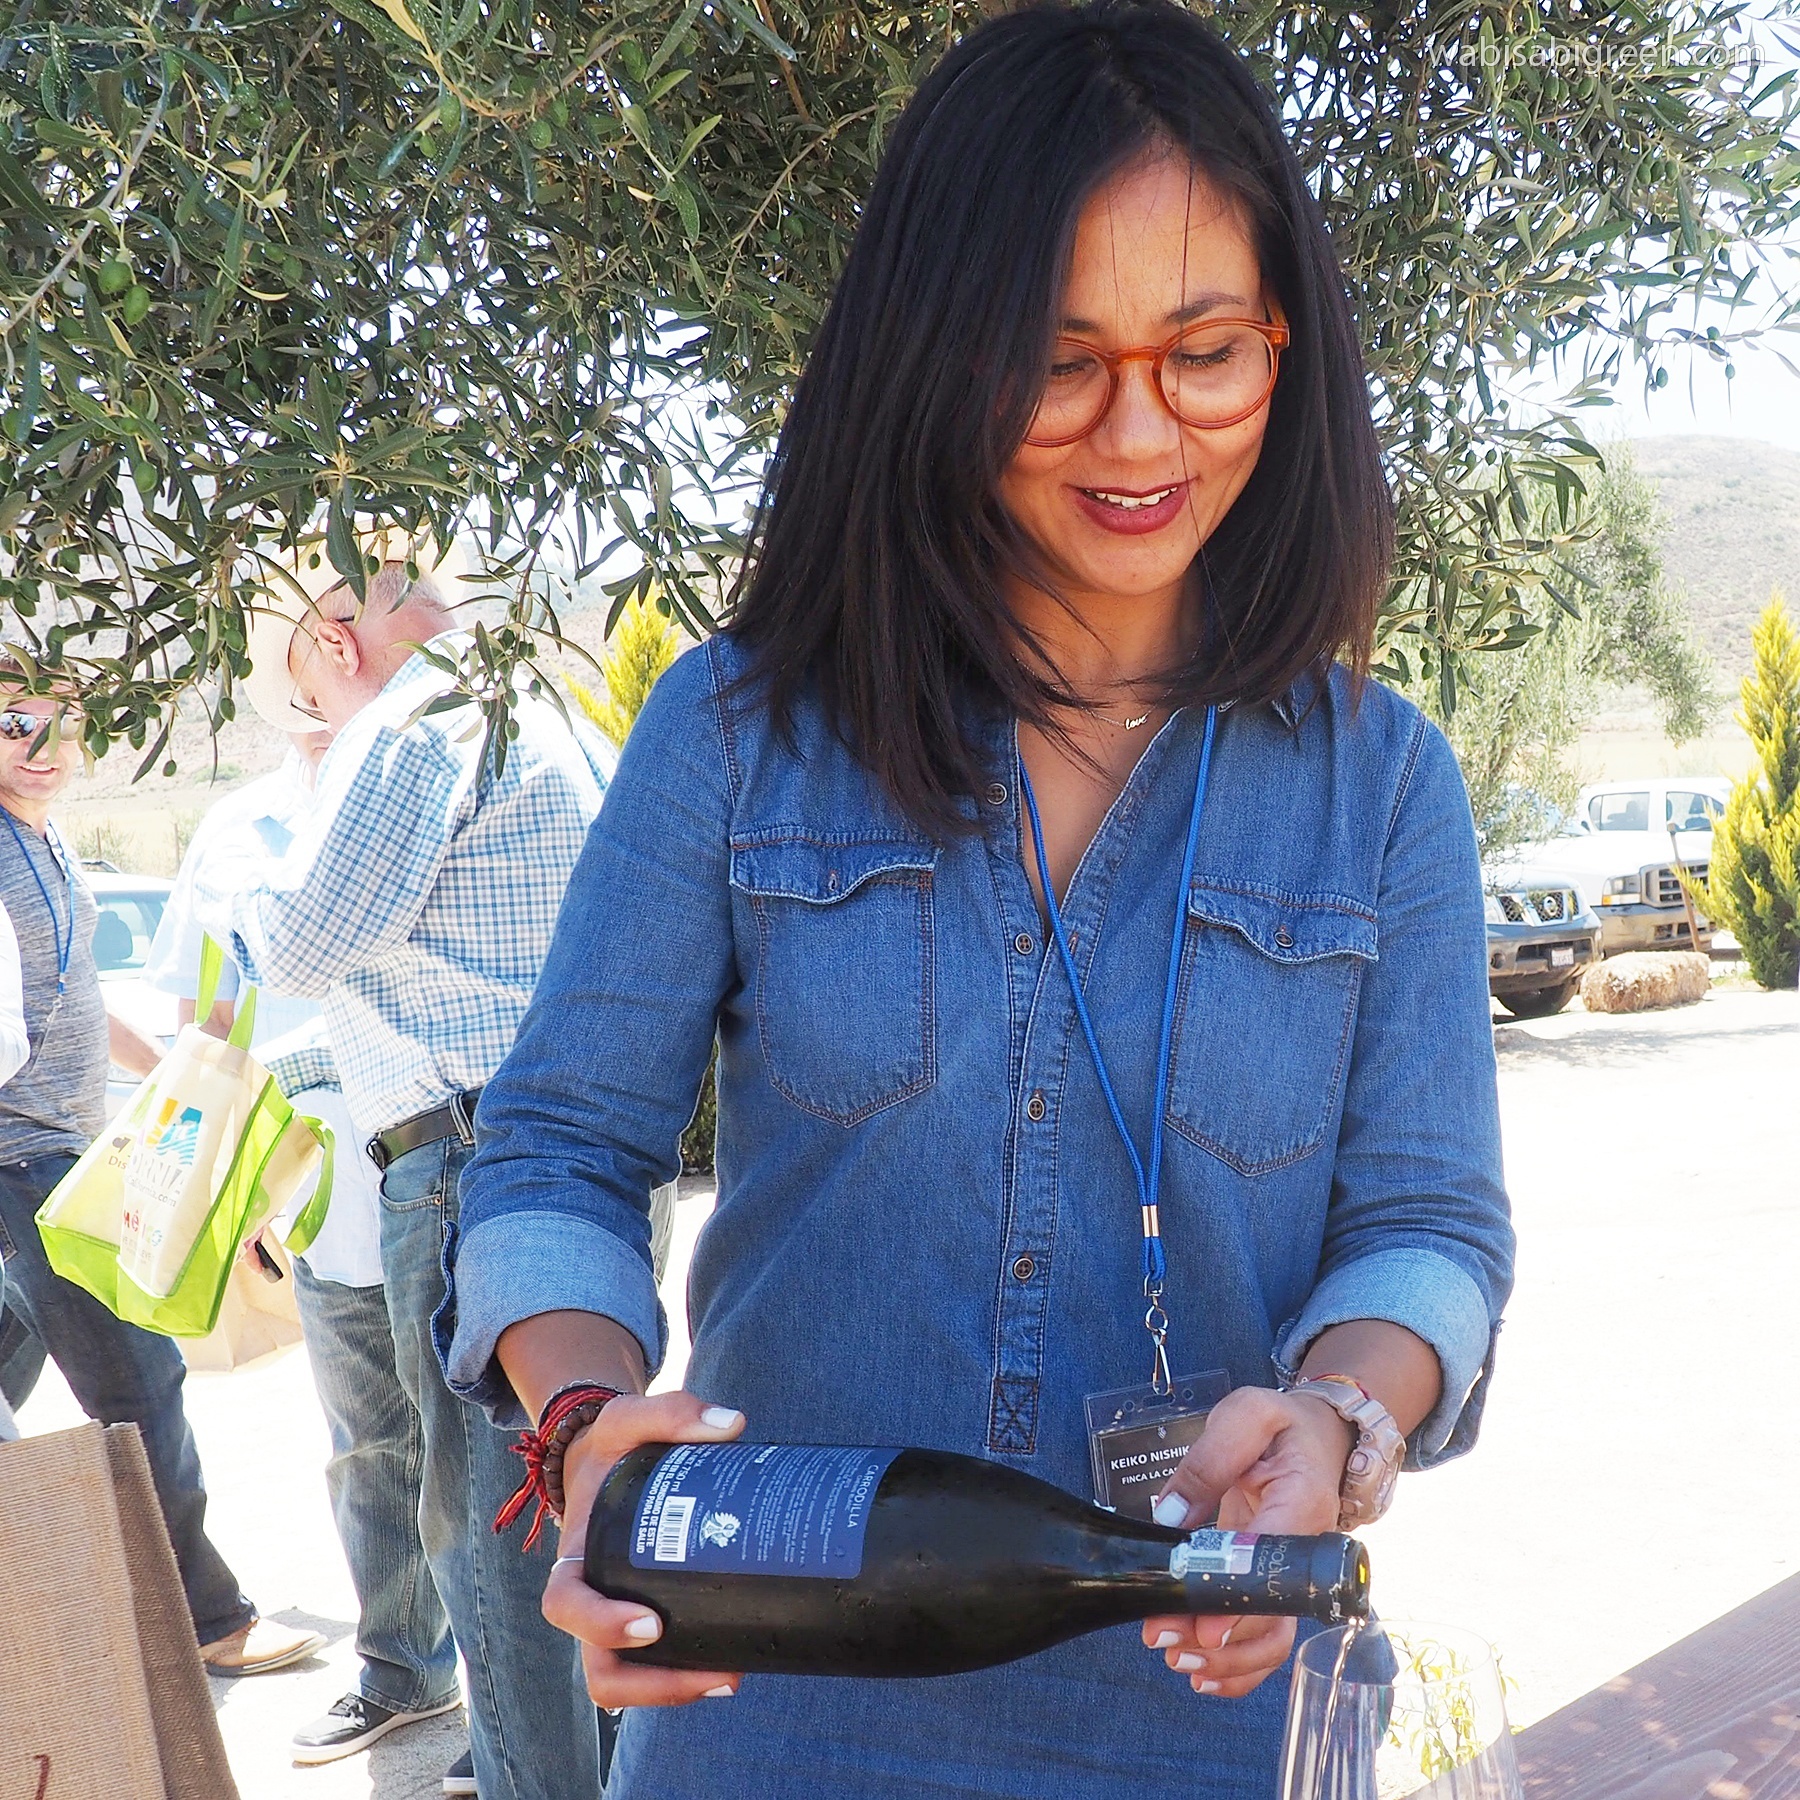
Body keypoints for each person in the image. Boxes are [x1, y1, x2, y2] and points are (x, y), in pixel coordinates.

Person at [443, 5, 1517, 1795]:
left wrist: (1341, 1420)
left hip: (1215, 1722)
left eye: (1208, 351)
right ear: (938, 352)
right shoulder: (736, 732)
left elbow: (1432, 1230)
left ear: (1285, 353)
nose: (1141, 429)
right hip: (770, 1729)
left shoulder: (1380, 786)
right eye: (1058, 355)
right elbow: (554, 1154)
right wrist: (579, 1431)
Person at [191, 537, 612, 1800]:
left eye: (308, 699)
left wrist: (265, 865)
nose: (315, 722)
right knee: (571, 1495)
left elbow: (307, 945)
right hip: (564, 1147)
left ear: (330, 647)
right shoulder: (539, 706)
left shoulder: (411, 724)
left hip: (472, 1155)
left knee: (492, 1528)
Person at [144, 736, 465, 1769]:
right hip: (322, 1201)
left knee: (486, 1454)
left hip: (462, 1173)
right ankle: (403, 1671)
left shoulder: (448, 772)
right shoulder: (238, 830)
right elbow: (206, 1025)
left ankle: (526, 1708)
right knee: (368, 1446)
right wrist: (218, 1195)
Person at [0, 678, 322, 1674]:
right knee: (140, 1385)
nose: (41, 741)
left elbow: (76, 1003)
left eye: (61, 716)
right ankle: (209, 1619)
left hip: (57, 1147)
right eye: (12, 720)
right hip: (24, 1161)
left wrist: (183, 1069)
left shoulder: (43, 840)